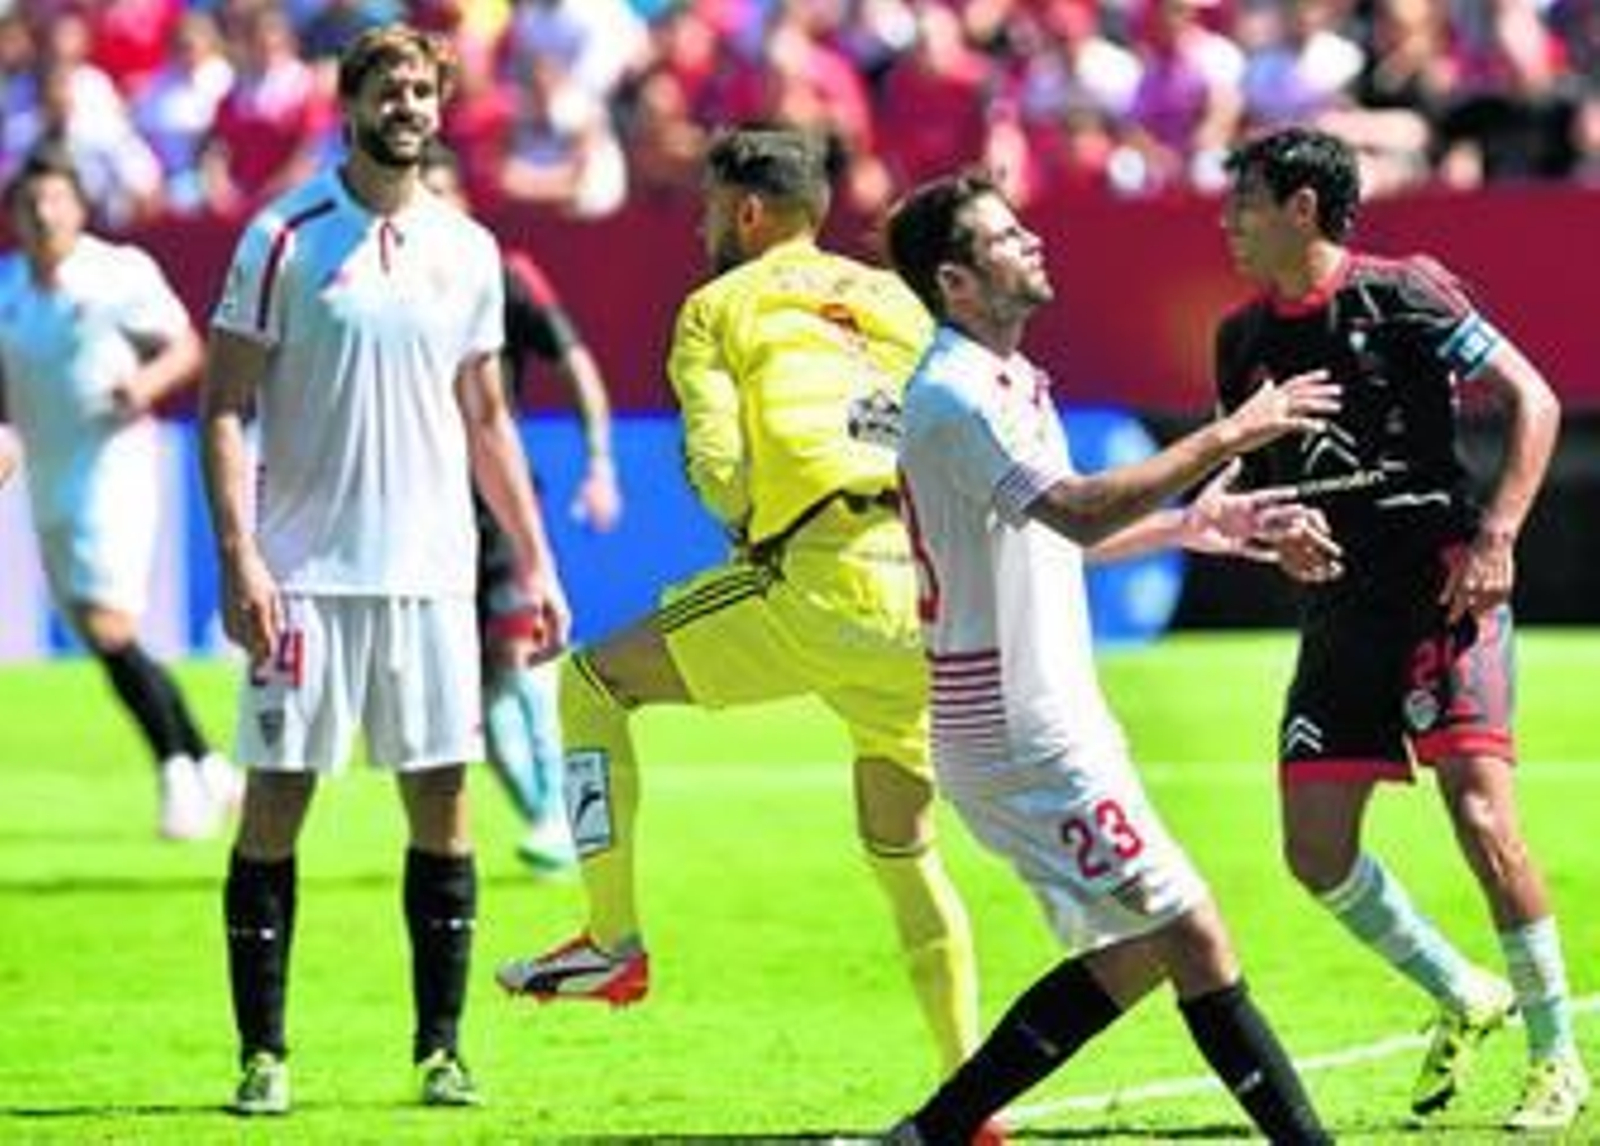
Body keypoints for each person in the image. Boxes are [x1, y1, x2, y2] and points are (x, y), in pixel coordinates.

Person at [495, 126, 982, 1083]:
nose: (706, 227)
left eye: (712, 208)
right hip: (928, 595)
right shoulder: (896, 298)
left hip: (821, 572)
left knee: (592, 682)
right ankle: (970, 1088)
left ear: (748, 212)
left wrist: (753, 514)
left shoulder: (717, 304)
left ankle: (610, 940)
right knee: (905, 851)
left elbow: (719, 469)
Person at [882, 171, 1338, 1144]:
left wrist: (1189, 526)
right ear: (956, 282)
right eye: (1005, 237)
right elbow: (1077, 508)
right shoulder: (956, 396)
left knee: (1138, 949)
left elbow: (1066, 535)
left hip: (1043, 715)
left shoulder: (1006, 383)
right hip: (1017, 729)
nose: (1032, 241)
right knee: (1192, 930)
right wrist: (1231, 432)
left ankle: (931, 1133)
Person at [199, 24, 567, 1117]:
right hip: (305, 577)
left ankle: (438, 1051)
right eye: (388, 88)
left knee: (443, 809)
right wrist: (240, 558)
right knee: (275, 807)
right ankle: (263, 1055)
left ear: (439, 108)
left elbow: (488, 417)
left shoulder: (468, 247)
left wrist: (536, 563)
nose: (408, 104)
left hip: (433, 577)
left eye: (422, 89)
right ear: (348, 102)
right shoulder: (282, 235)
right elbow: (224, 407)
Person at [1215, 125, 1590, 1131]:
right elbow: (1261, 495)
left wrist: (1499, 536)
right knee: (1314, 854)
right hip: (1340, 612)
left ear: (1302, 207)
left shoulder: (1407, 290)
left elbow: (1533, 398)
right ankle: (1463, 990)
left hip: (1442, 585)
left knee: (1478, 814)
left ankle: (1560, 1060)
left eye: (1242, 201)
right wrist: (1279, 534)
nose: (1226, 222)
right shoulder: (1239, 340)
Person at [0, 141, 238, 842]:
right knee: (99, 631)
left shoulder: (117, 275)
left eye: (56, 200)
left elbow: (186, 347)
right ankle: (209, 762)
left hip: (115, 464)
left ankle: (176, 773)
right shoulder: (9, 290)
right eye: (30, 203)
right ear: (14, 214)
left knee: (108, 623)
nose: (44, 215)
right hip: (49, 470)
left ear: (78, 208)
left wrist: (144, 385)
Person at [419, 140, 624, 874]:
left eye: (444, 193)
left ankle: (559, 818)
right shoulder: (388, 285)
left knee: (517, 651)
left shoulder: (500, 276)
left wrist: (599, 463)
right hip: (420, 515)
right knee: (466, 689)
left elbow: (575, 363)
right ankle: (551, 821)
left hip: (496, 506)